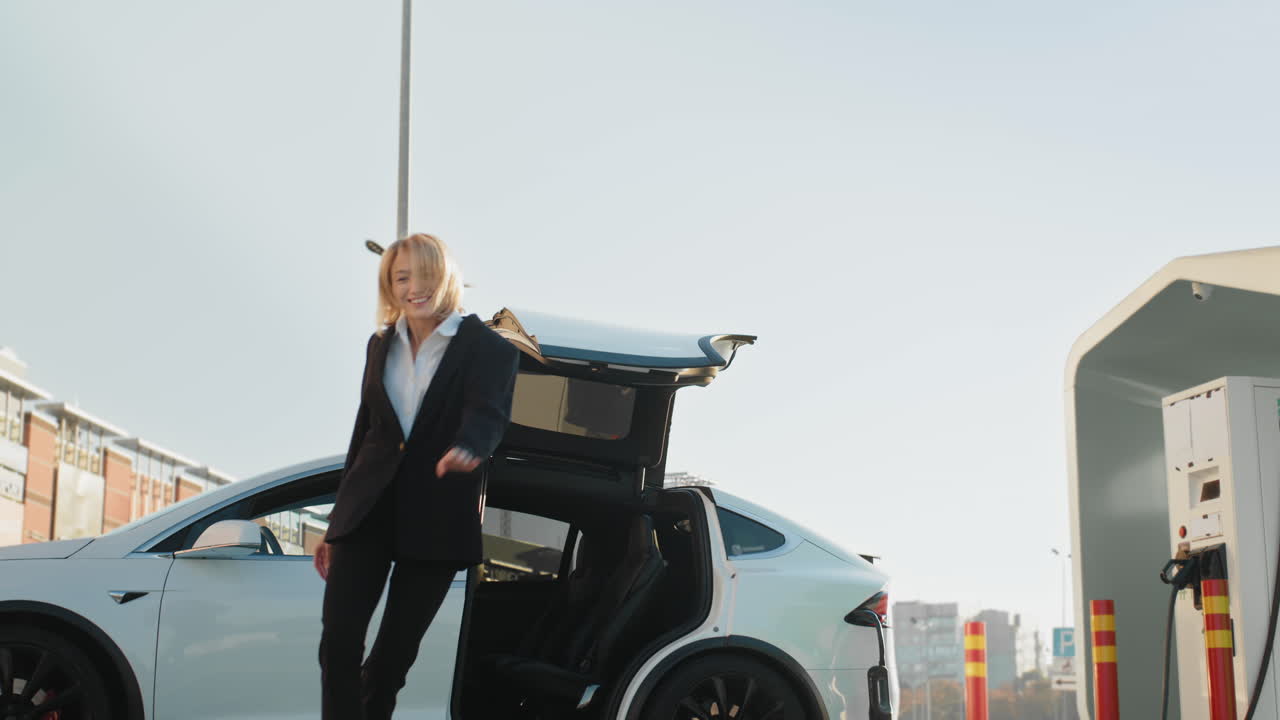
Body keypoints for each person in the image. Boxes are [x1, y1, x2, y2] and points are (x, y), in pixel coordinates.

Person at [314, 233, 519, 719]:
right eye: (401, 278)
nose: (413, 287)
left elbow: (488, 414)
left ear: (444, 277)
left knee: (390, 663)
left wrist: (470, 447)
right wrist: (335, 523)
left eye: (423, 275)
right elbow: (366, 434)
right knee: (338, 646)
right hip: (367, 514)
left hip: (437, 518)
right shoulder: (380, 344)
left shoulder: (488, 349)